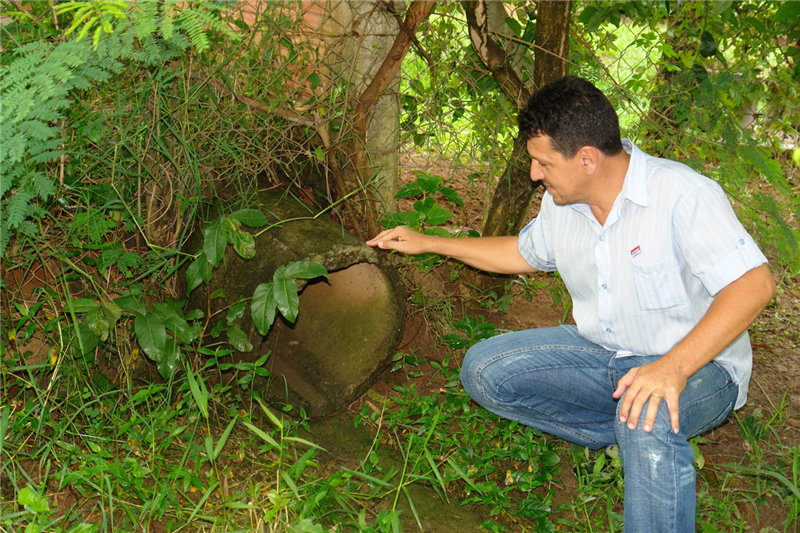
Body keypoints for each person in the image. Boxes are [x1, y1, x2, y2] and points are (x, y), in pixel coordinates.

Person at [366, 75, 777, 532]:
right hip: (605, 355)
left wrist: (673, 368)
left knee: (650, 414)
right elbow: (523, 254)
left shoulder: (682, 196)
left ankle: (640, 431)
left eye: (543, 163)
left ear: (586, 159)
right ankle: (623, 428)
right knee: (485, 369)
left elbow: (754, 285)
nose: (533, 175)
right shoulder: (559, 205)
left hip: (701, 367)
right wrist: (430, 242)